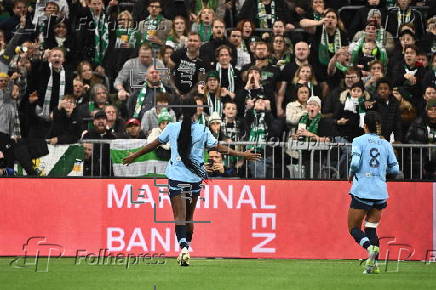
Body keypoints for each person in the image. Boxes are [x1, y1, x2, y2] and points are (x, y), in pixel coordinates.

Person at [122, 97, 261, 266]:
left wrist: (134, 156)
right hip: (194, 179)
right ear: (196, 112)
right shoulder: (202, 130)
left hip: (176, 177)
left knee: (179, 217)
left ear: (179, 113)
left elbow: (153, 144)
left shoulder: (172, 128)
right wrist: (242, 154)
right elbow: (219, 147)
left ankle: (183, 248)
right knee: (189, 217)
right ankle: (187, 247)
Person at [347, 111, 399, 274]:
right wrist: (381, 176)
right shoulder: (386, 144)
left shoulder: (358, 141)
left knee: (353, 228)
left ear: (365, 126)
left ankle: (370, 249)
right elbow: (395, 169)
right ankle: (373, 266)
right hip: (380, 192)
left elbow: (355, 163)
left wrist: (350, 173)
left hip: (363, 191)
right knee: (371, 229)